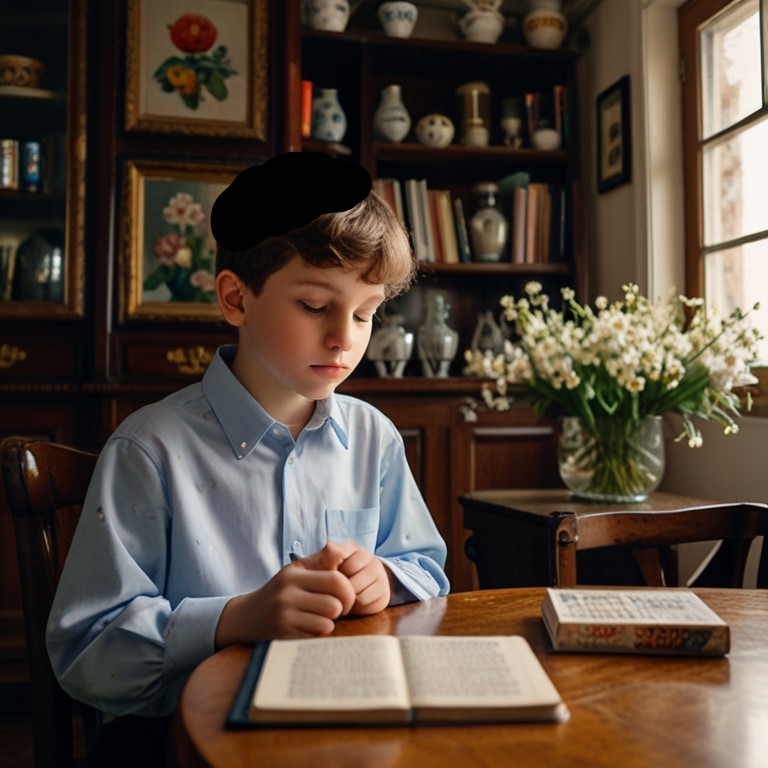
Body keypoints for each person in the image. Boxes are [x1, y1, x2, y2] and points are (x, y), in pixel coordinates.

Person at [46, 152, 450, 763]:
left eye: (366, 313)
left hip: (346, 728)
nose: (346, 337)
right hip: (183, 741)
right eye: (316, 307)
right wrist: (234, 620)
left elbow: (427, 567)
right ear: (236, 299)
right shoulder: (149, 450)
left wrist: (385, 579)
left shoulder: (375, 438)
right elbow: (88, 652)